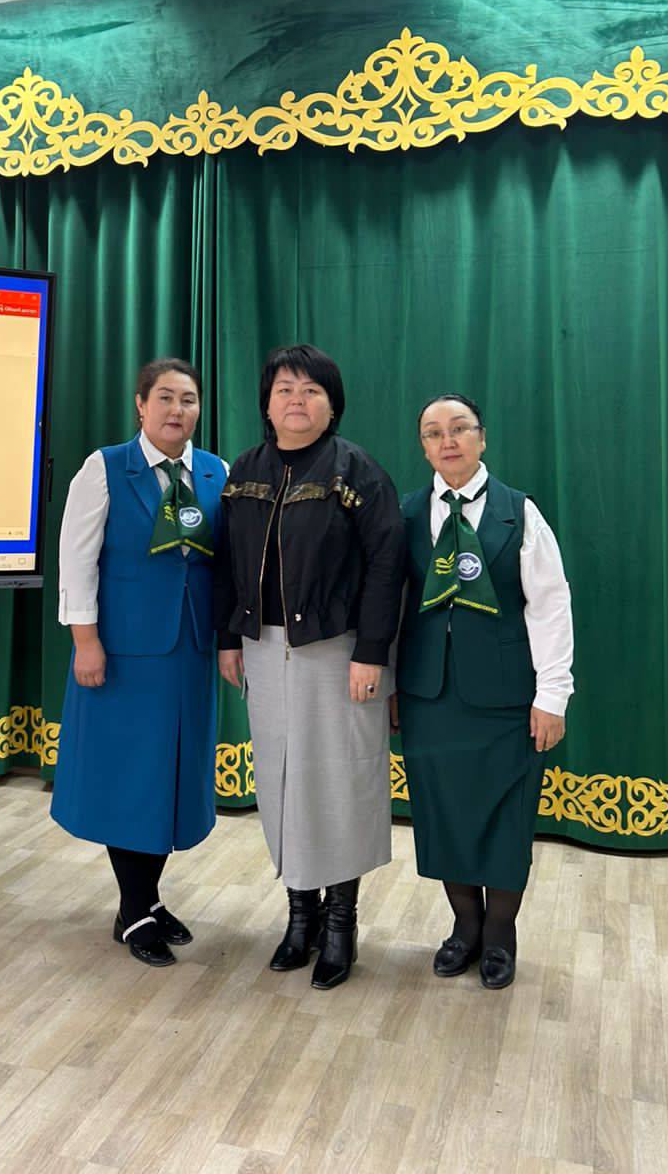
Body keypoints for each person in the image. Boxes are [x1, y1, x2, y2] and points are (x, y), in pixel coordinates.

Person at [215, 345, 404, 990]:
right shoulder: (244, 471)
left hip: (338, 651)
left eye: (311, 390)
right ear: (267, 404)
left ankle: (341, 923)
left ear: (332, 404)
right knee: (280, 779)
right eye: (284, 390)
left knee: (337, 783)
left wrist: (371, 652)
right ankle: (301, 914)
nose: (297, 400)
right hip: (263, 649)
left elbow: (387, 566)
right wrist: (230, 638)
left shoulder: (358, 472)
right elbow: (226, 563)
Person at [394, 394, 574, 991]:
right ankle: (464, 927)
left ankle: (500, 935)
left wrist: (552, 694)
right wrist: (392, 683)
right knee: (444, 813)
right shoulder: (407, 513)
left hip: (505, 698)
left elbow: (550, 606)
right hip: (429, 696)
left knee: (504, 818)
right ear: (423, 446)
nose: (447, 441)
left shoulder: (518, 512)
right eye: (433, 432)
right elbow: (392, 605)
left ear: (482, 437)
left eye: (459, 429)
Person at [50, 358, 226, 967]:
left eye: (189, 399)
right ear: (141, 405)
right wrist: (85, 641)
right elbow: (76, 559)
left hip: (189, 651)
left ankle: (145, 899)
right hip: (123, 654)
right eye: (166, 398)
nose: (178, 410)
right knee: (129, 779)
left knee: (170, 778)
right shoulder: (104, 468)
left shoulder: (215, 472)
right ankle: (135, 910)